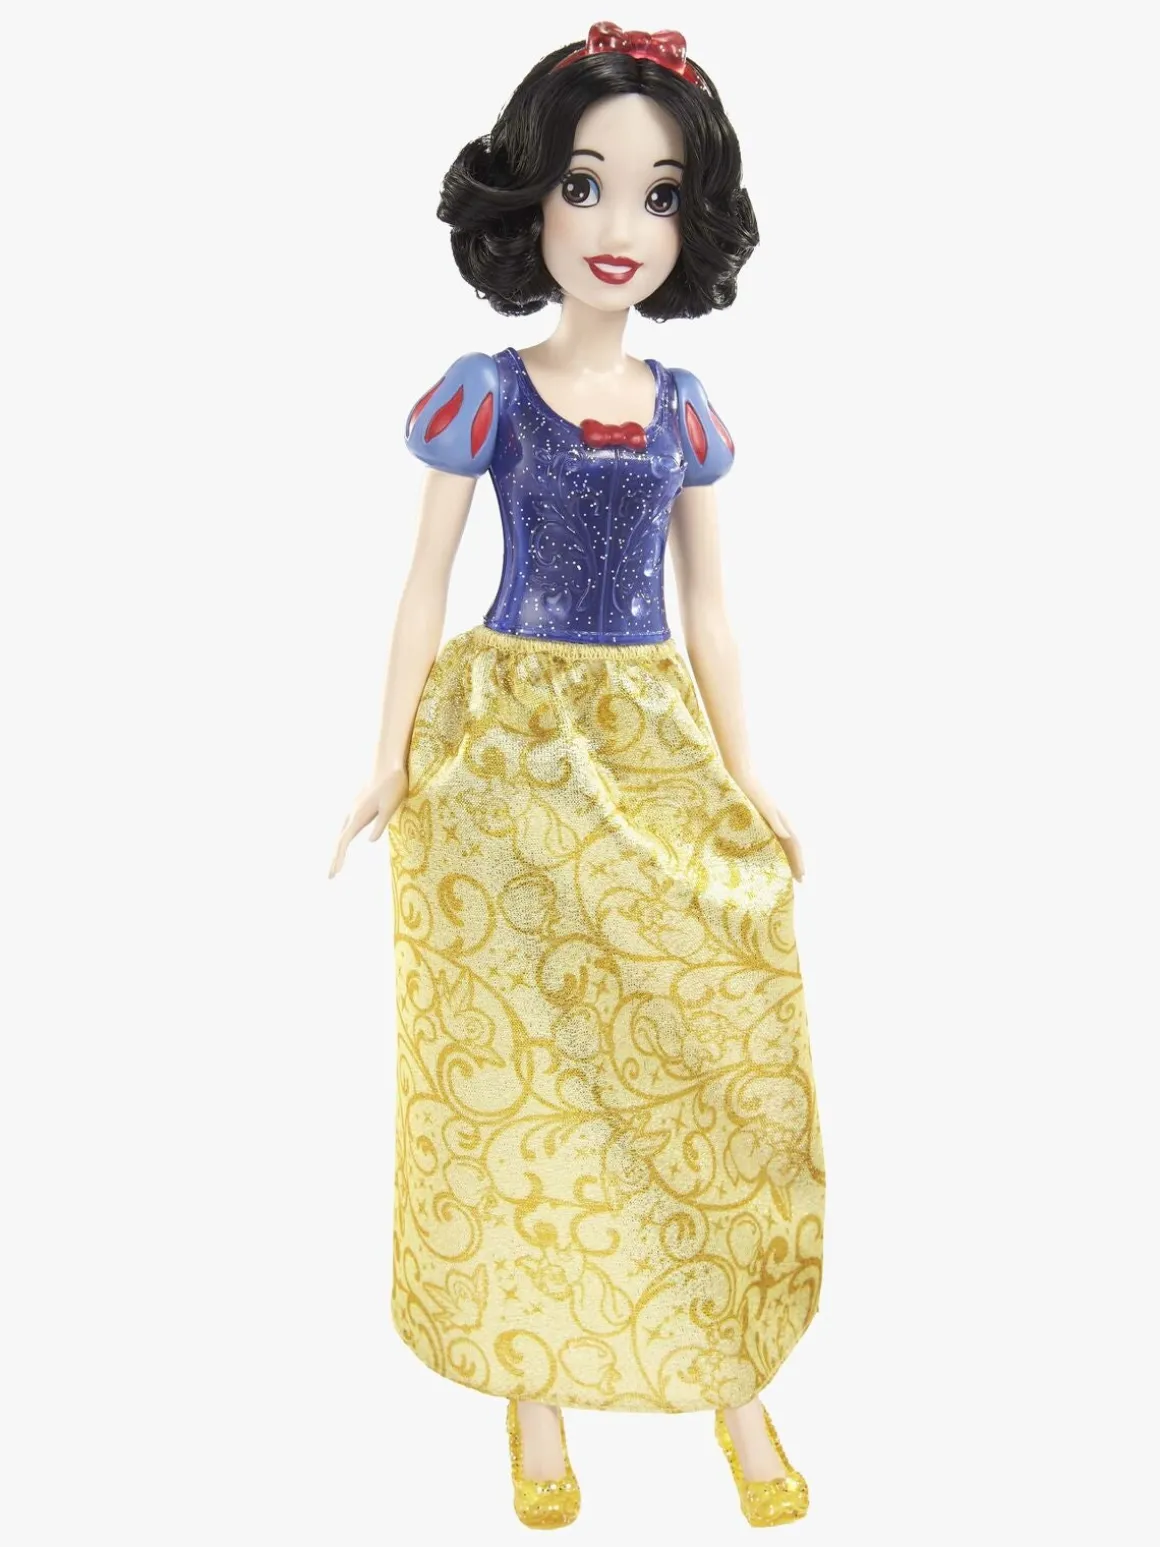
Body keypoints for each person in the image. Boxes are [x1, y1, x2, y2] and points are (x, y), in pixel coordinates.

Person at [330, 22, 825, 1529]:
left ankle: (731, 1372)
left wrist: (749, 778)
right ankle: (532, 1390)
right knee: (520, 1074)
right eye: (587, 184)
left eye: (659, 195)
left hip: (647, 741)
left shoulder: (684, 409)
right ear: (532, 199)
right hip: (504, 751)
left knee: (698, 1045)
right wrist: (386, 761)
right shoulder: (487, 390)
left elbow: (714, 611)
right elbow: (423, 583)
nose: (620, 226)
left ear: (695, 220)